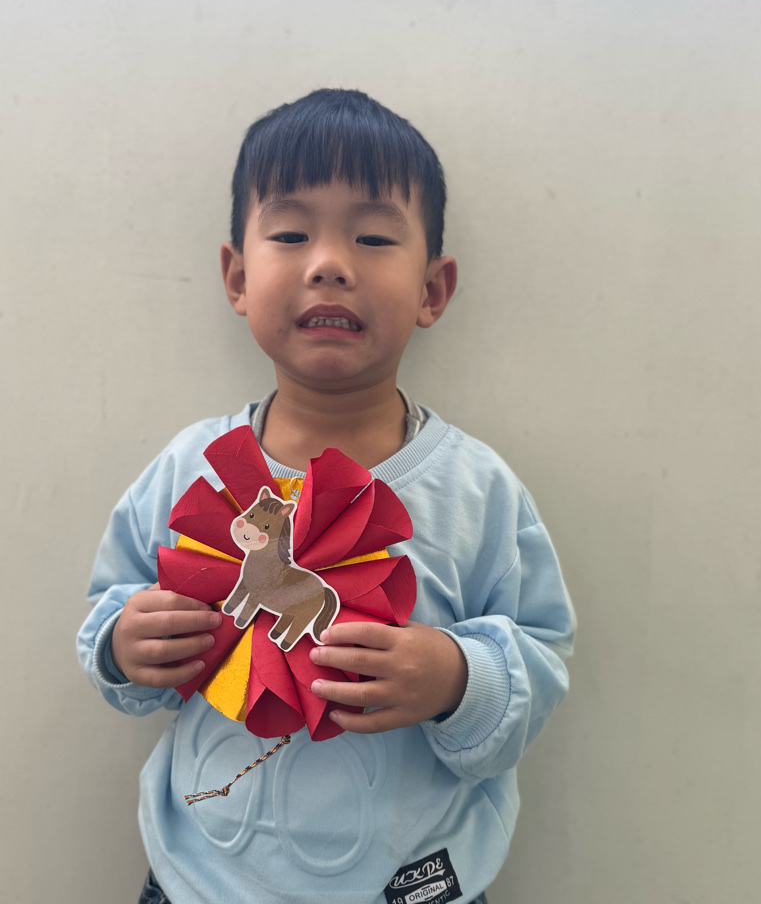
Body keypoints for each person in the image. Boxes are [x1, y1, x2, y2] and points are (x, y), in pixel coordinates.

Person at [78, 89, 575, 904]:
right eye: (290, 234)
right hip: (199, 878)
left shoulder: (477, 490)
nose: (330, 263)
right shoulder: (188, 469)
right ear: (238, 277)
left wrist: (457, 676)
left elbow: (542, 651)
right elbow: (111, 607)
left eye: (373, 237)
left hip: (413, 883)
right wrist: (124, 645)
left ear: (433, 289)